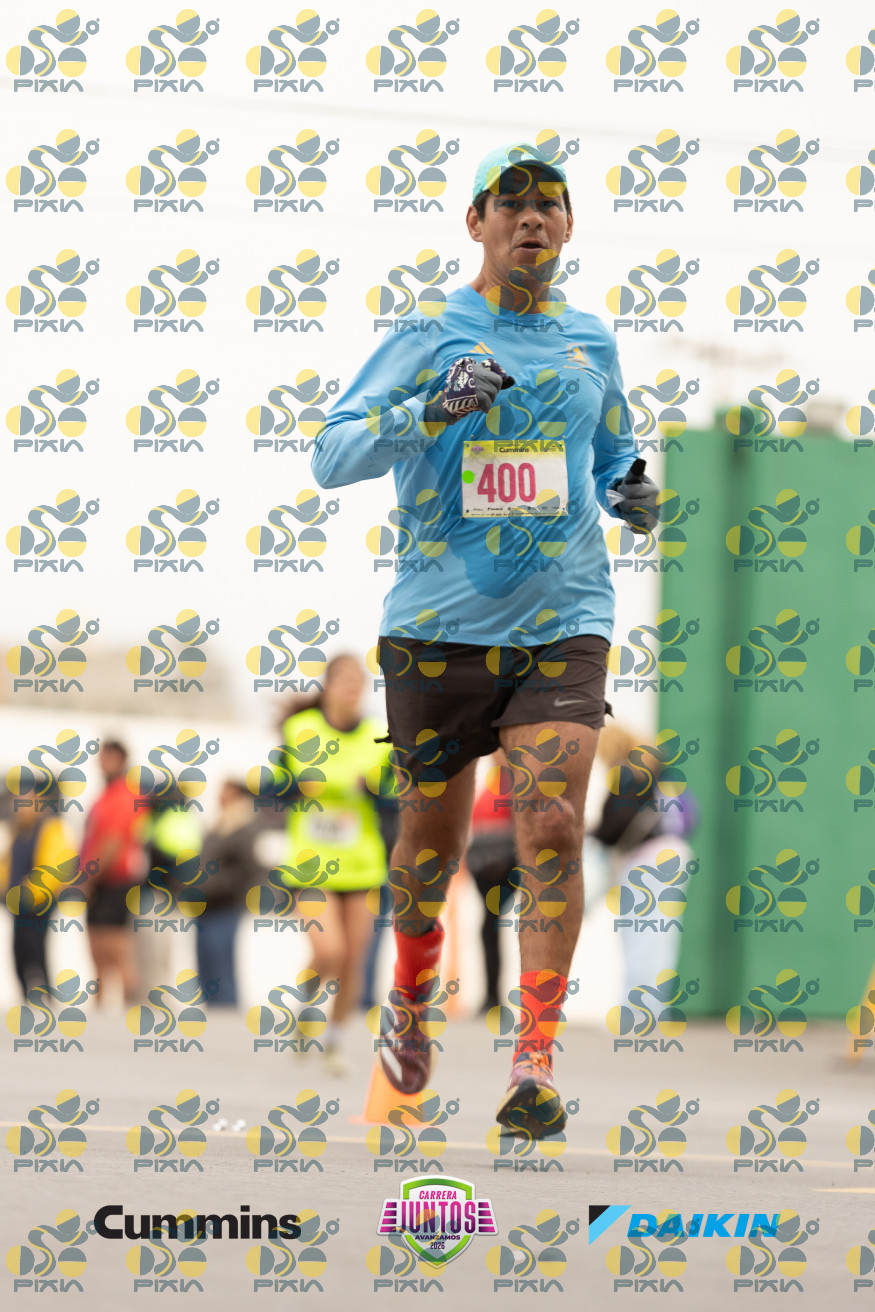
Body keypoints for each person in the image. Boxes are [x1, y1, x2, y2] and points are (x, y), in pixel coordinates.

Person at [311, 140, 659, 1137]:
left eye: (549, 202)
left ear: (568, 225)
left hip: (565, 618)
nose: (530, 216)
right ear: (475, 222)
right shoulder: (428, 332)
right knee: (430, 850)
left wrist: (628, 491)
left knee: (550, 823)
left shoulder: (590, 342)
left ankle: (533, 1062)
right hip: (439, 627)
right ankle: (409, 1002)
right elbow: (331, 455)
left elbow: (609, 455)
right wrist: (432, 407)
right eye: (509, 202)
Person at [279, 654, 395, 1075]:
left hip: (362, 865)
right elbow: (283, 784)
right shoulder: (301, 729)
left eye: (358, 681)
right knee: (330, 950)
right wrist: (311, 785)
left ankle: (335, 1041)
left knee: (352, 960)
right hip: (311, 864)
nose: (351, 688)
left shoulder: (379, 735)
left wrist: (370, 787)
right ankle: (305, 1007)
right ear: (327, 686)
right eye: (343, 679)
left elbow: (391, 792)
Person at [592, 724, 698, 998]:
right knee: (659, 936)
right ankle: (652, 1006)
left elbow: (613, 826)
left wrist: (590, 833)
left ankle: (637, 1008)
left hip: (646, 862)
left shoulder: (628, 775)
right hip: (674, 855)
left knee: (639, 935)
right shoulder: (658, 772)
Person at [80, 740, 144, 1006]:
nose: (101, 762)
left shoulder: (123, 795)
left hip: (115, 882)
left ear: (119, 759)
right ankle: (99, 1013)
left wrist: (89, 879)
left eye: (106, 757)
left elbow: (112, 842)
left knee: (116, 952)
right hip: (100, 882)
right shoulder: (106, 795)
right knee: (97, 953)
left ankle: (133, 1011)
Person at [1, 787, 75, 997]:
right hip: (18, 905)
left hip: (39, 904)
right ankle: (27, 995)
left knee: (37, 949)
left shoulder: (50, 828)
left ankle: (45, 995)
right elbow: (8, 865)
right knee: (19, 951)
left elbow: (55, 867)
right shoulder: (17, 832)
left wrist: (29, 892)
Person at [196, 780, 265, 1006]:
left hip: (225, 906)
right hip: (206, 906)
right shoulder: (221, 823)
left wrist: (220, 886)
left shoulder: (245, 824)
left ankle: (225, 1017)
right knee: (207, 967)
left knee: (221, 967)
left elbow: (250, 869)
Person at [465, 752, 517, 1013]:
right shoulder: (494, 783)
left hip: (504, 868)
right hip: (485, 870)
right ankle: (491, 996)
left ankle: (496, 996)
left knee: (493, 926)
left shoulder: (516, 785)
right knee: (489, 928)